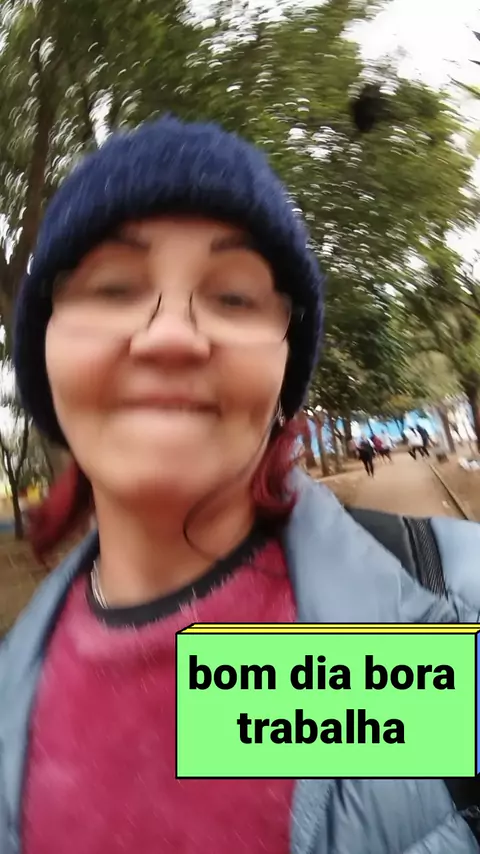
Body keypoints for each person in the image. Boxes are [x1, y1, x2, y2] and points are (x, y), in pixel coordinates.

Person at [1, 116, 480, 854]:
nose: (170, 335)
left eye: (232, 298)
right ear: (46, 354)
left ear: (285, 369)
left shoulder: (451, 613)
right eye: (115, 287)